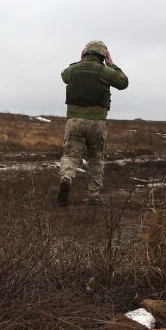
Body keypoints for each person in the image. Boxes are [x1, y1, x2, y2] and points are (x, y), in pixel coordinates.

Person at [58, 40, 128, 206]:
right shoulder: (105, 71)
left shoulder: (72, 70)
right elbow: (123, 83)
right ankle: (94, 196)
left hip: (74, 121)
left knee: (70, 155)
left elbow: (64, 75)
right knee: (95, 158)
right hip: (97, 123)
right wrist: (112, 65)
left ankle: (66, 179)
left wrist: (80, 62)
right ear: (103, 56)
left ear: (85, 53)